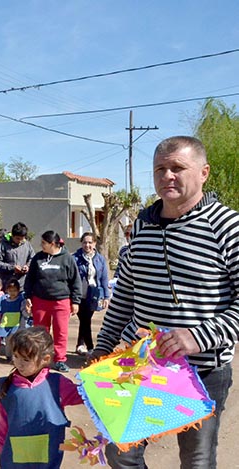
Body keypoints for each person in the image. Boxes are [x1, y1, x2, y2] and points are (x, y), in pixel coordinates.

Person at [90, 136, 239, 468]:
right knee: (120, 454)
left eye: (177, 168)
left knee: (197, 462)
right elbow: (126, 294)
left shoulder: (227, 227)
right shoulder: (142, 225)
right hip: (140, 365)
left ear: (204, 172)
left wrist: (196, 336)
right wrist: (103, 346)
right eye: (160, 168)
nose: (167, 176)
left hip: (202, 371)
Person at [0, 327, 83, 469]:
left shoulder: (57, 384)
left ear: (45, 359)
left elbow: (84, 396)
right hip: (13, 457)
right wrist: (1, 448)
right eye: (16, 356)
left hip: (48, 456)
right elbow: (3, 422)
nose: (19, 363)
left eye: (26, 359)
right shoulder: (7, 386)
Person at [23, 230, 81, 373]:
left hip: (61, 301)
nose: (41, 245)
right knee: (40, 332)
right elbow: (30, 279)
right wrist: (28, 297)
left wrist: (76, 301)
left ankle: (60, 360)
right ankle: (41, 359)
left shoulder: (67, 258)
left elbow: (75, 280)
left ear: (53, 244)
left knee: (61, 332)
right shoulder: (38, 258)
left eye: (44, 243)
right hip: (40, 301)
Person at [72, 232, 110, 356]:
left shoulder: (100, 259)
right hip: (80, 293)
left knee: (85, 320)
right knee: (85, 320)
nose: (87, 245)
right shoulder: (75, 258)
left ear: (94, 243)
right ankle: (90, 347)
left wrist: (106, 296)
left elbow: (104, 278)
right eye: (84, 242)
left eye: (90, 242)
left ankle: (80, 344)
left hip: (94, 294)